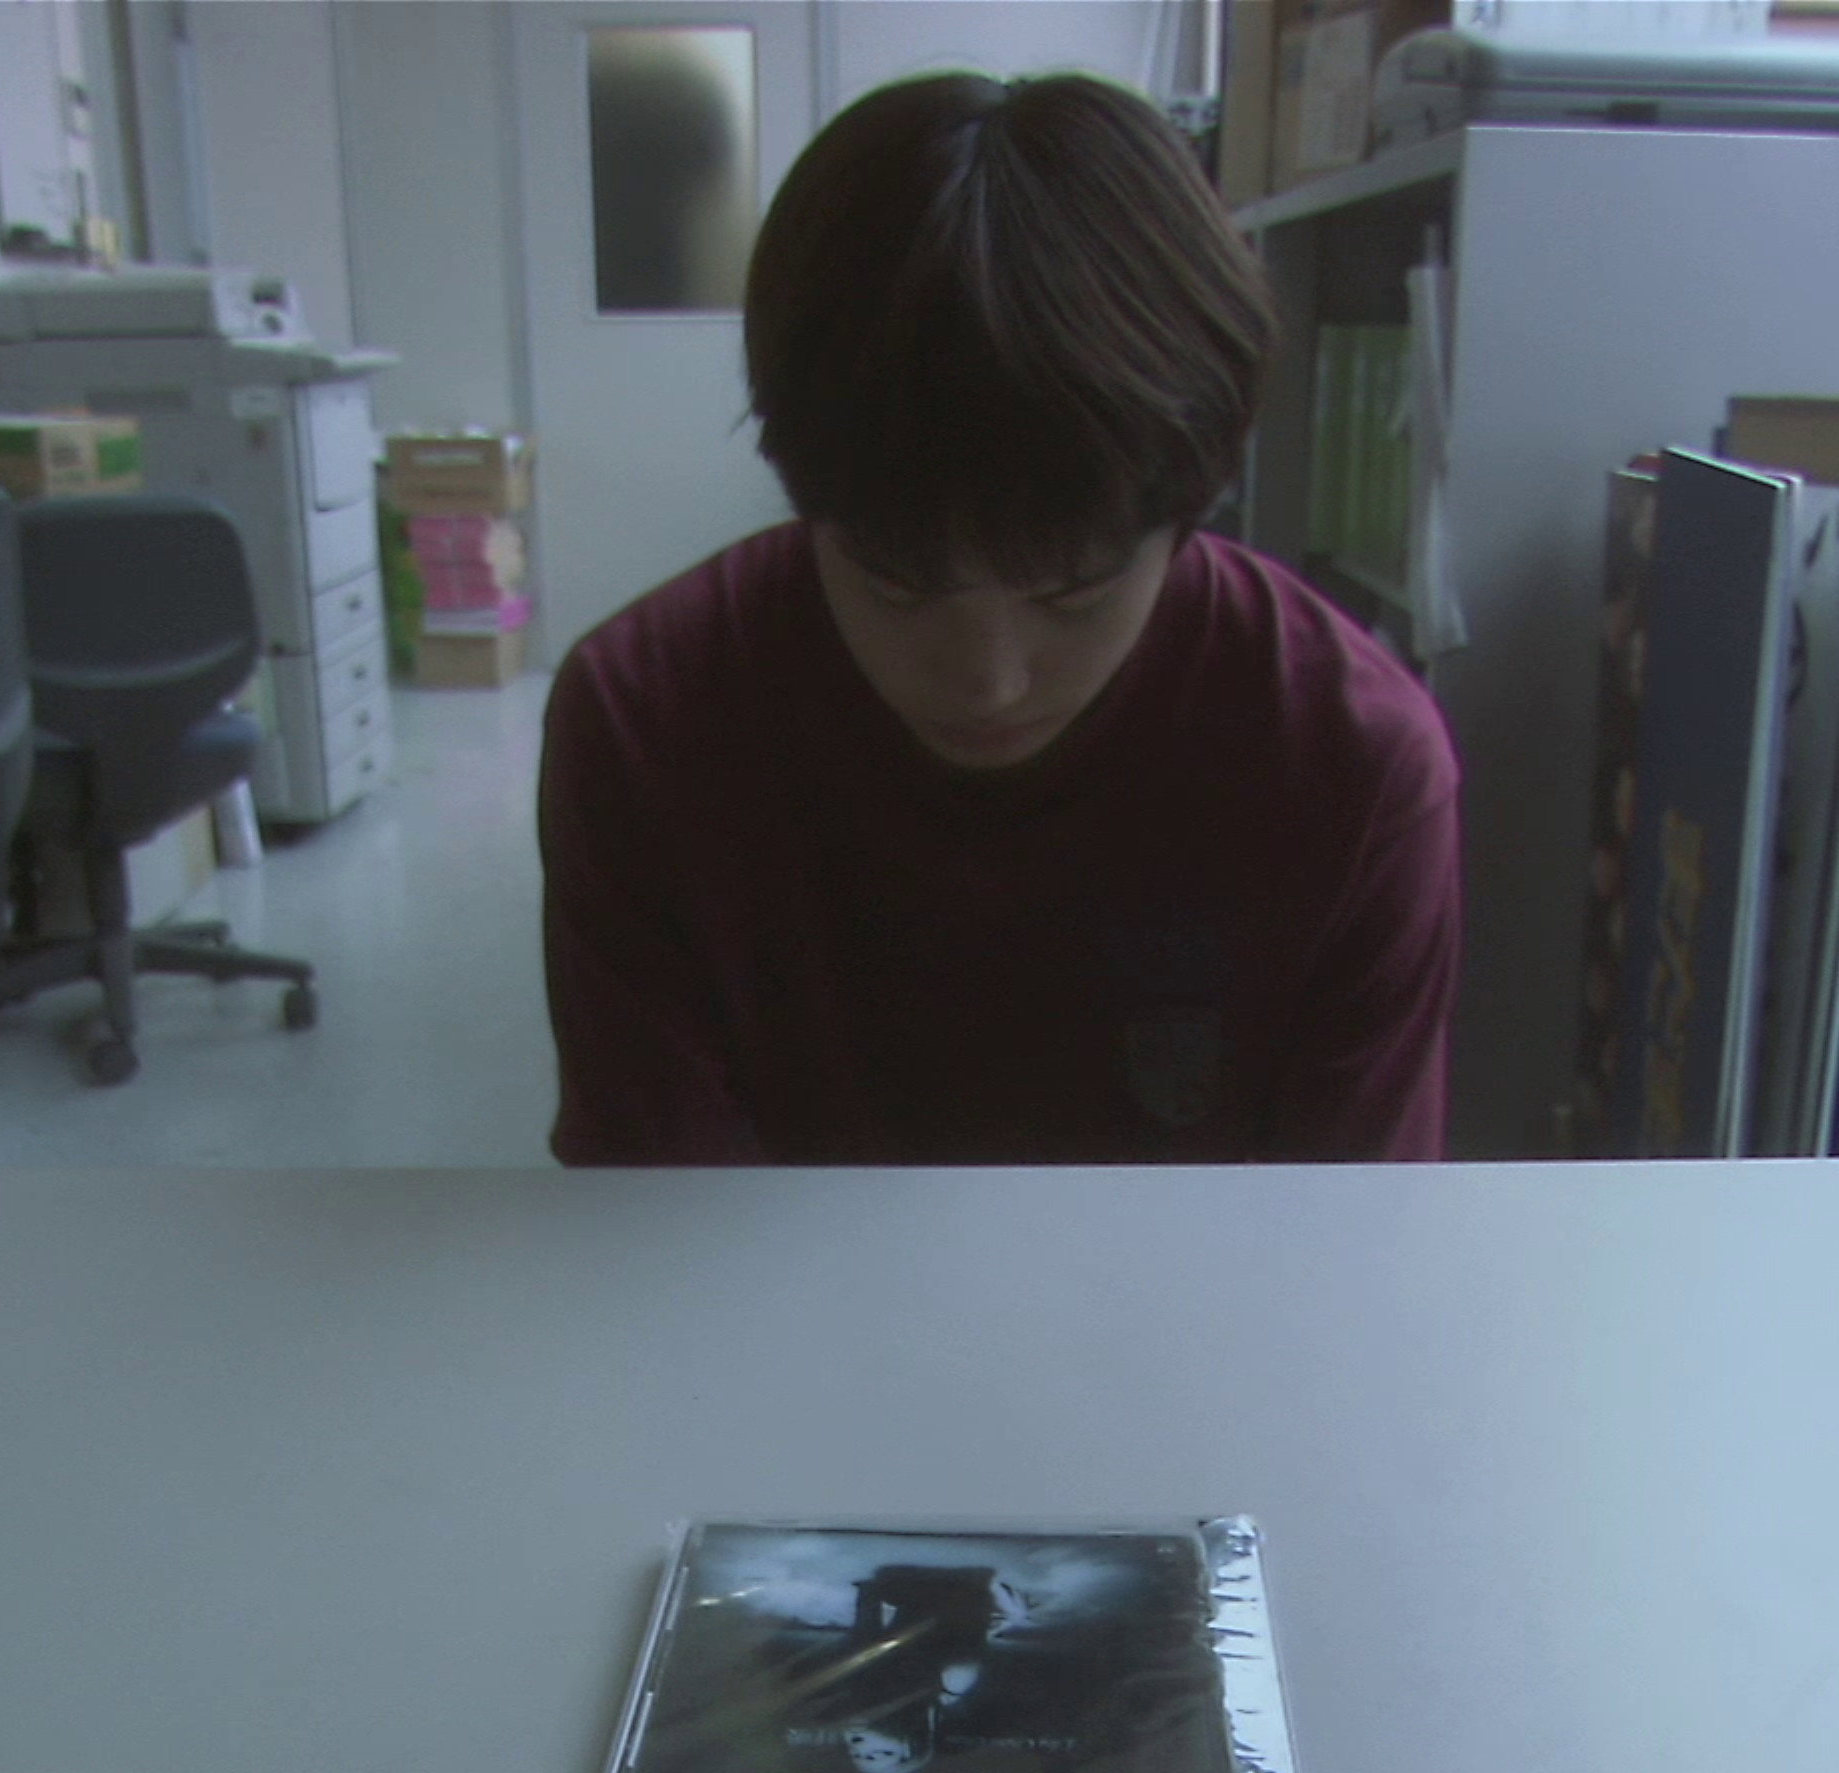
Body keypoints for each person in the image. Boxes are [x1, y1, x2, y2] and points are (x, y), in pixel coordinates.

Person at [537, 72, 1461, 1165]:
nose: (989, 679)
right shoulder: (647, 726)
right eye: (896, 584)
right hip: (763, 1289)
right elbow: (649, 1233)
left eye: (1074, 594)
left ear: (1188, 511)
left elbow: (1348, 1244)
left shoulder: (1350, 768)